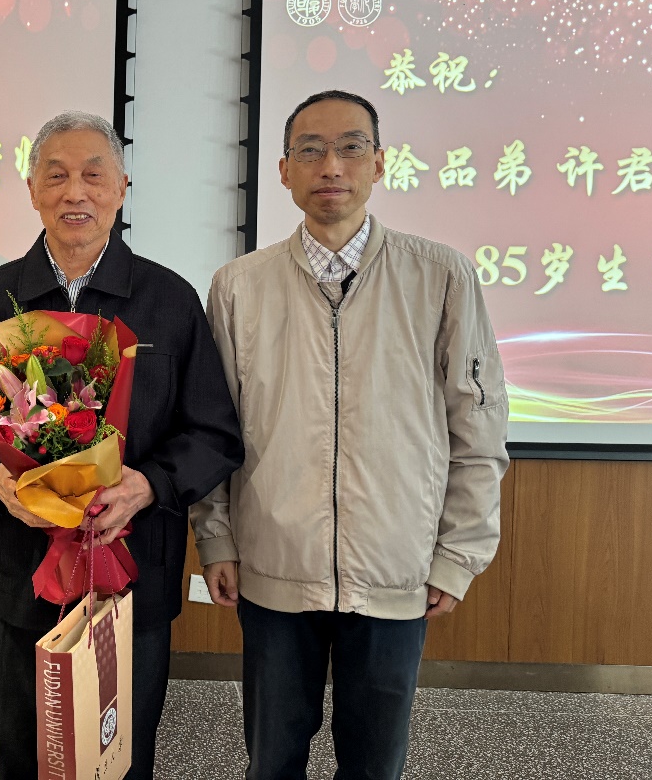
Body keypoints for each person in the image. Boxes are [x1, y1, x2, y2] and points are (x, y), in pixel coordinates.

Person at [192, 89, 510, 780]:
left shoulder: (441, 277)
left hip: (395, 568)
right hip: (274, 566)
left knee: (374, 764)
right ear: (283, 170)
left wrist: (458, 553)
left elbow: (478, 428)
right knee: (271, 760)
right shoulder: (238, 287)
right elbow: (213, 431)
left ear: (379, 163)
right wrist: (215, 538)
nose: (330, 165)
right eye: (310, 150)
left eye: (350, 148)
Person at [0, 110, 244, 780]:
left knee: (119, 757)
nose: (76, 192)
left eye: (93, 176)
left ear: (122, 188)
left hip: (132, 573)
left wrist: (147, 485)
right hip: (22, 575)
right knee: (23, 753)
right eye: (57, 175)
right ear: (31, 190)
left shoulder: (169, 301)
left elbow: (213, 432)